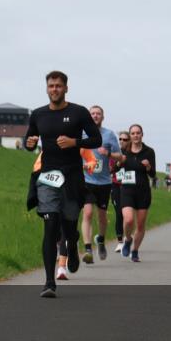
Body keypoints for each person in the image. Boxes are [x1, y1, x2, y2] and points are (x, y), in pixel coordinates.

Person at [24, 71, 101, 298]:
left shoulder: (78, 112)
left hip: (72, 178)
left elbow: (95, 139)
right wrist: (28, 143)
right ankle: (49, 282)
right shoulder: (38, 115)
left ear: (66, 88)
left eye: (58, 86)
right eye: (51, 86)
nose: (54, 89)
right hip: (47, 177)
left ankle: (73, 242)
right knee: (50, 225)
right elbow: (30, 141)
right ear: (46, 88)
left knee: (68, 224)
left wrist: (74, 142)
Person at [80, 105, 122, 263]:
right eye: (92, 114)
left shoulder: (109, 135)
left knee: (102, 217)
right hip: (86, 180)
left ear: (102, 117)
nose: (95, 116)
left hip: (104, 182)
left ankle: (101, 240)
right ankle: (88, 249)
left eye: (98, 114)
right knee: (88, 213)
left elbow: (120, 157)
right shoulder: (82, 134)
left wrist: (109, 153)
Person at [117, 124, 155, 262]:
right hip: (127, 190)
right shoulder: (124, 152)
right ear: (130, 136)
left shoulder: (149, 152)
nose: (135, 135)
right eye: (133, 133)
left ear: (142, 134)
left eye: (138, 133)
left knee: (140, 225)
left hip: (143, 191)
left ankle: (135, 250)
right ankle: (127, 239)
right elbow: (114, 170)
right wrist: (118, 163)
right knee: (128, 219)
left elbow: (153, 174)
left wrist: (149, 167)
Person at [110, 130, 130, 252]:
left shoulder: (133, 153)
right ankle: (120, 241)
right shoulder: (114, 153)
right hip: (116, 185)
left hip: (130, 186)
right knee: (118, 213)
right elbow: (110, 169)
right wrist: (117, 163)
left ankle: (128, 236)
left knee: (128, 215)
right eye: (120, 139)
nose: (122, 141)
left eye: (125, 139)